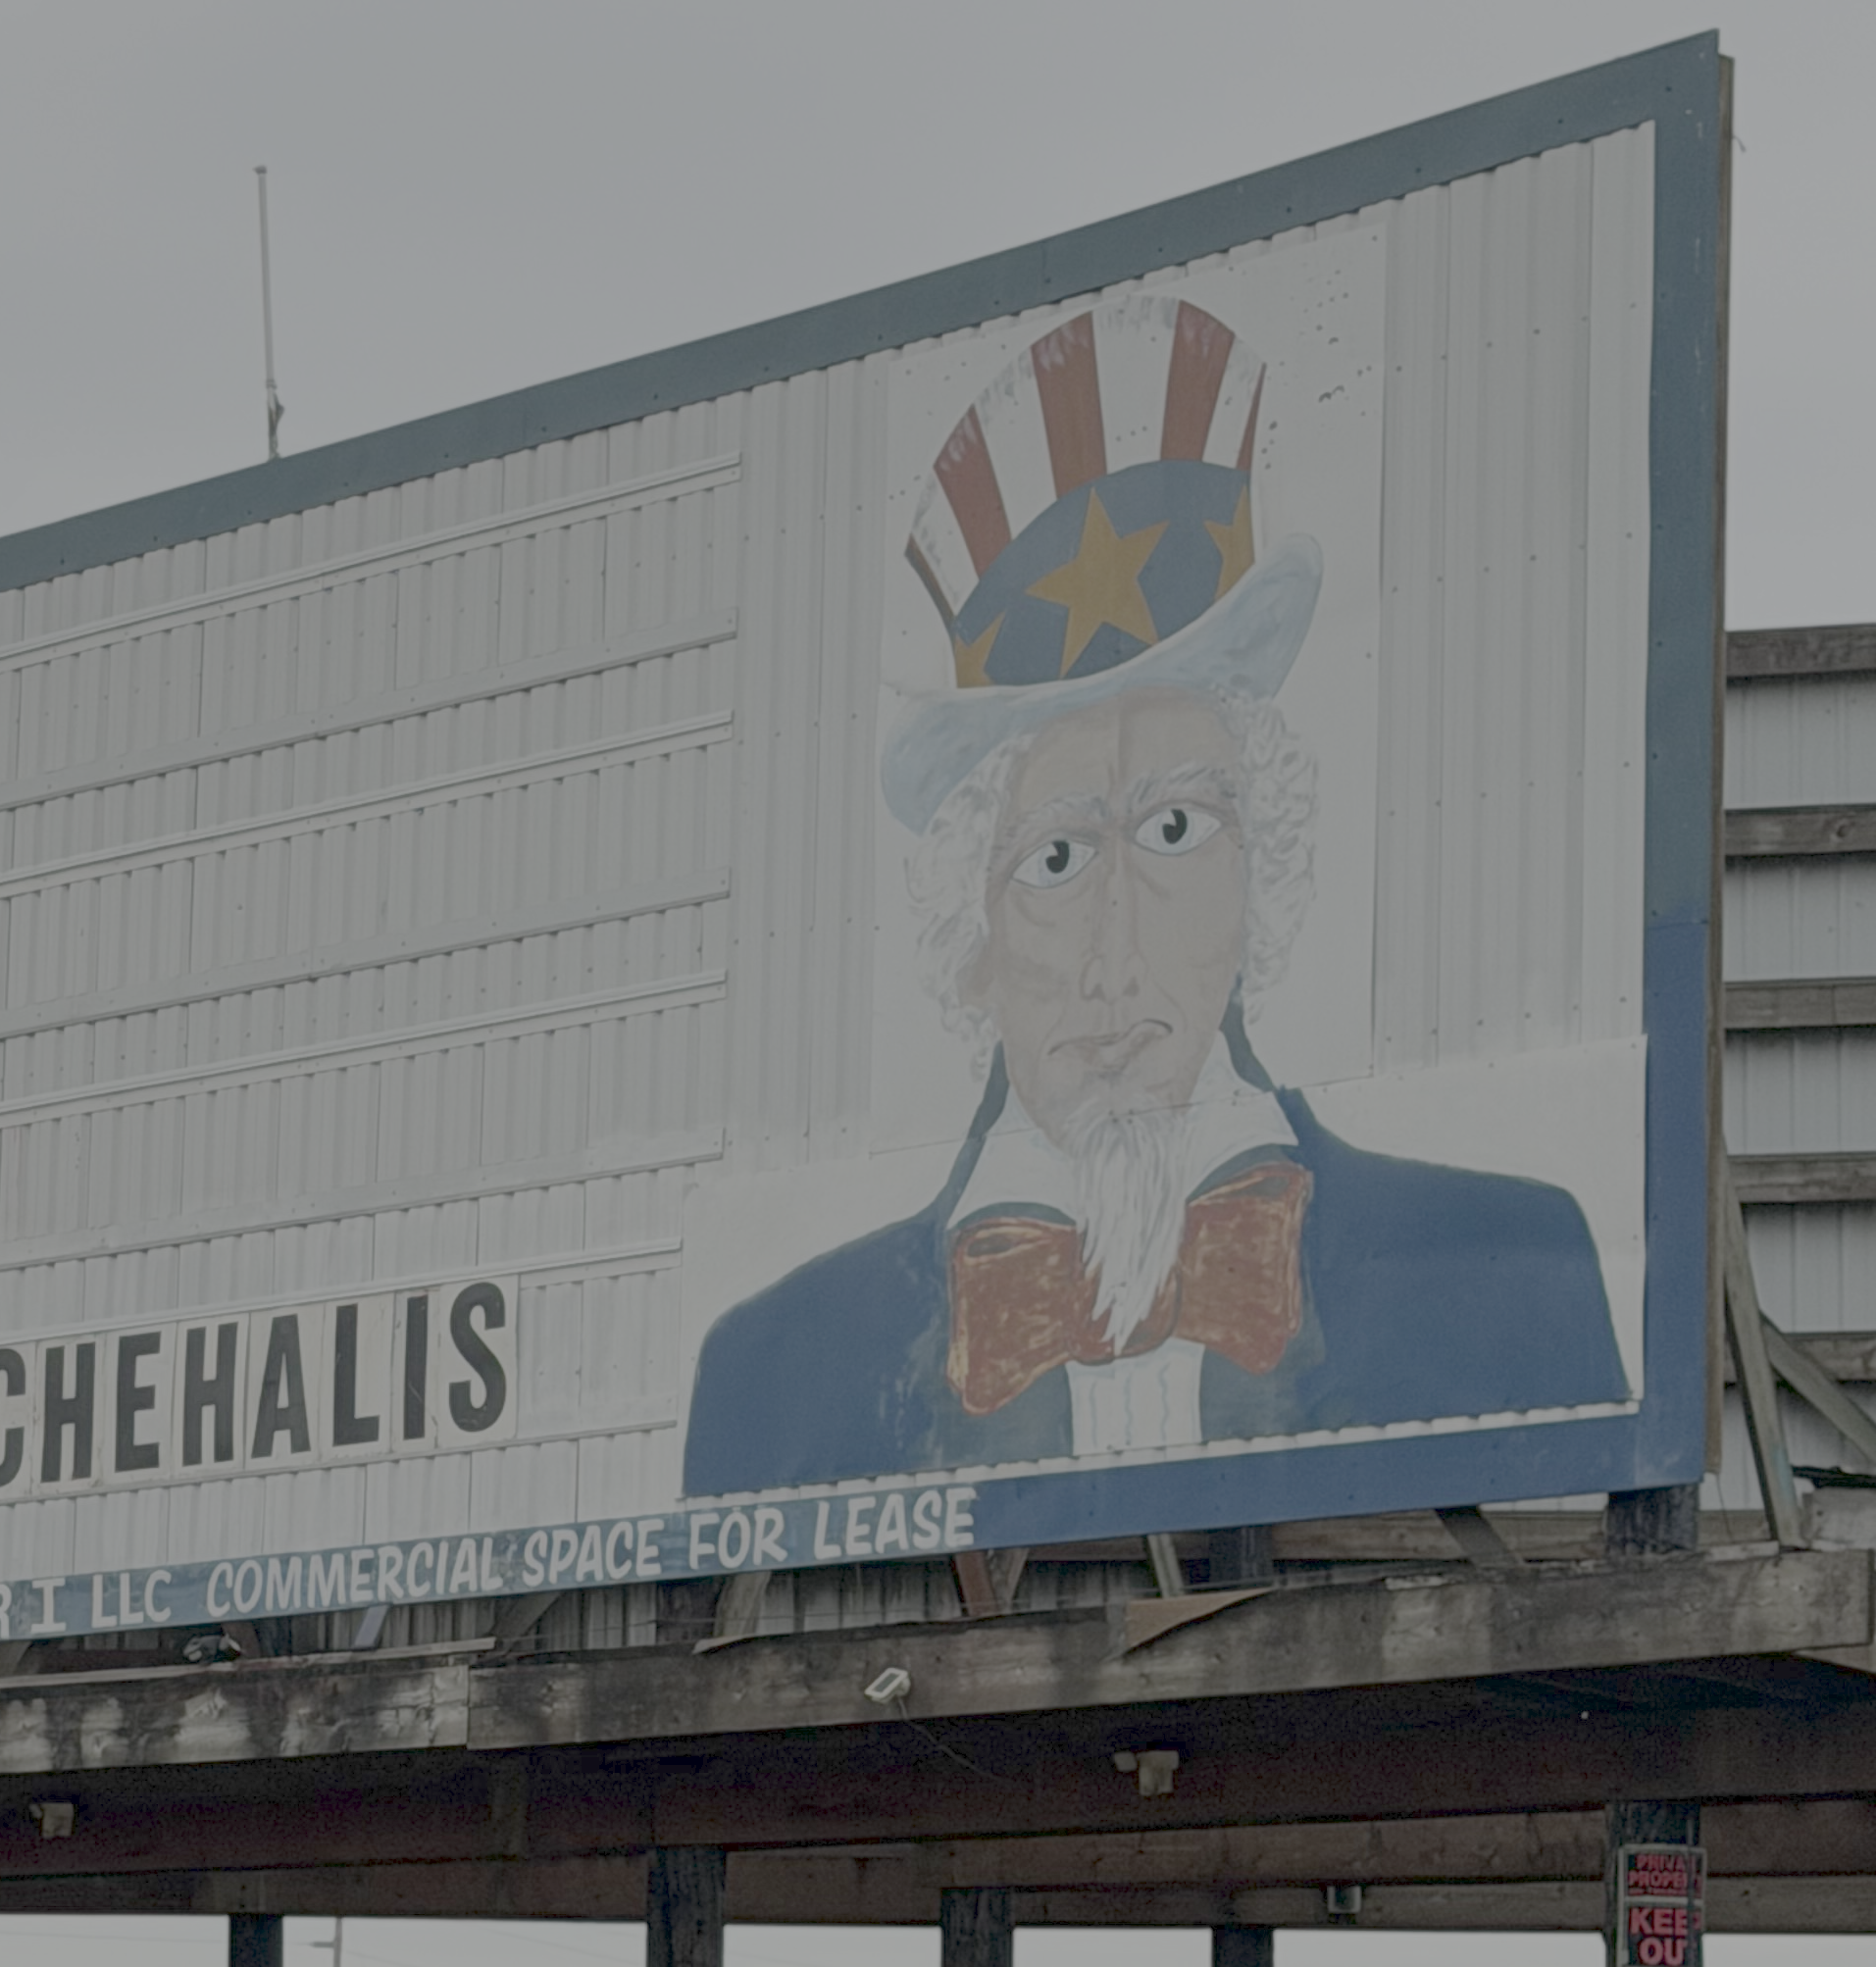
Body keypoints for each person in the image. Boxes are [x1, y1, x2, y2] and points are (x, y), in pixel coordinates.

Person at [682, 299, 1624, 1496]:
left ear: (1257, 876)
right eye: (1056, 858)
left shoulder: (1513, 1274)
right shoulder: (772, 1369)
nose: (1113, 958)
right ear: (967, 940)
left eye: (1176, 831)